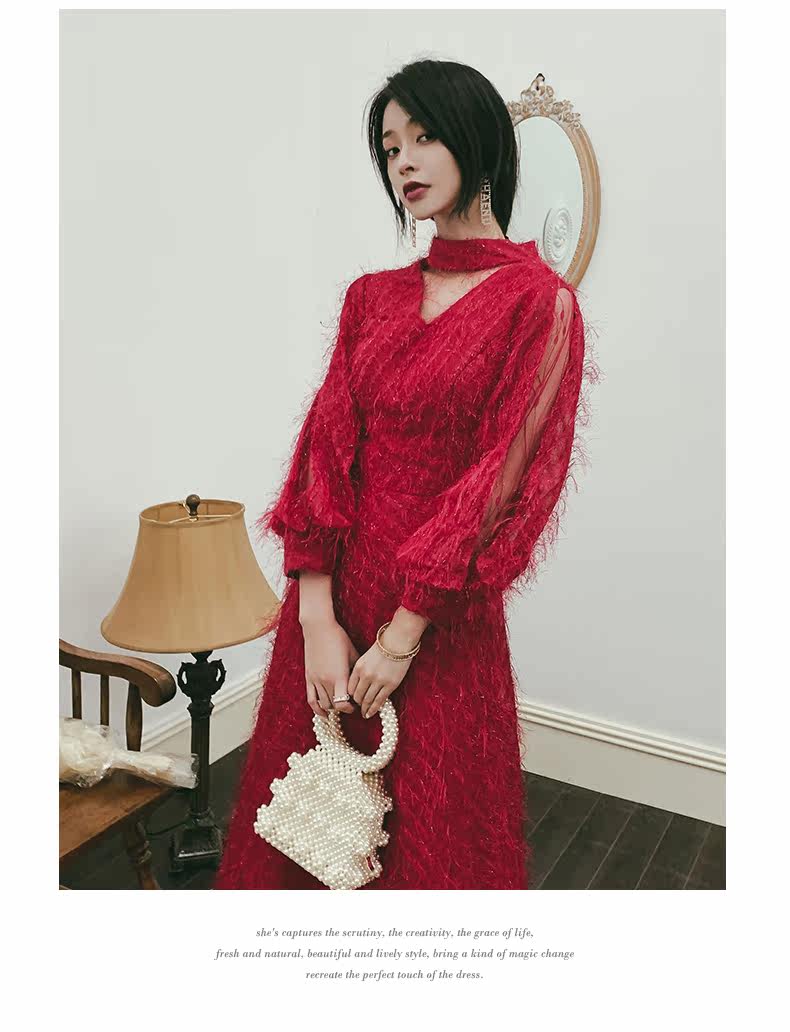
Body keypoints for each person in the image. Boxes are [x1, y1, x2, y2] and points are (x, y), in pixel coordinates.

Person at [214, 58, 596, 890]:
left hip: (438, 626)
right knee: (305, 828)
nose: (405, 163)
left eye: (424, 137)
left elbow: (500, 484)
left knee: (430, 851)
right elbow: (324, 452)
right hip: (333, 612)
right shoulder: (370, 297)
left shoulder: (539, 303)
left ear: (477, 141)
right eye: (390, 148)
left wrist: (401, 638)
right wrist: (316, 618)